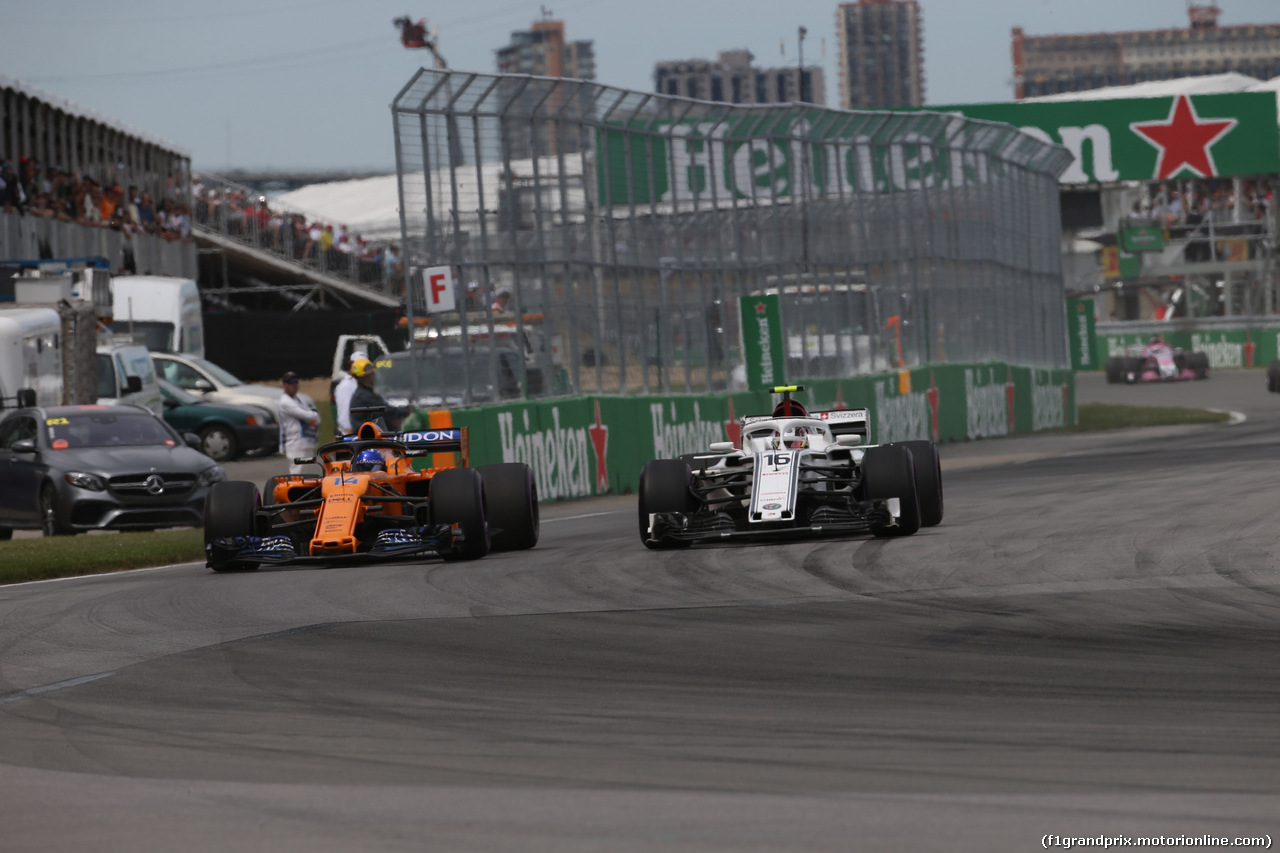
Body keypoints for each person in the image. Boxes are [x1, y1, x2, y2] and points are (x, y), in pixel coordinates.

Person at [277, 371, 320, 474]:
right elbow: (307, 415)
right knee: (297, 474)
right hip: (295, 442)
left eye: (296, 382)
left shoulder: (299, 400)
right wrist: (312, 415)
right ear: (284, 385)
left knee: (307, 474)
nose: (295, 385)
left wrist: (312, 416)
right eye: (291, 382)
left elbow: (317, 418)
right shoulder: (285, 402)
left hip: (307, 440)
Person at [347, 357, 396, 431]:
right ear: (360, 379)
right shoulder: (362, 396)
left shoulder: (369, 392)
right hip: (368, 437)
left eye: (372, 374)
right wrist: (404, 410)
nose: (372, 378)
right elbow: (386, 410)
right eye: (367, 376)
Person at [333, 351, 366, 438]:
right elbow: (344, 414)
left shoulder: (360, 383)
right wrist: (352, 433)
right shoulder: (346, 385)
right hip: (352, 435)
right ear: (351, 364)